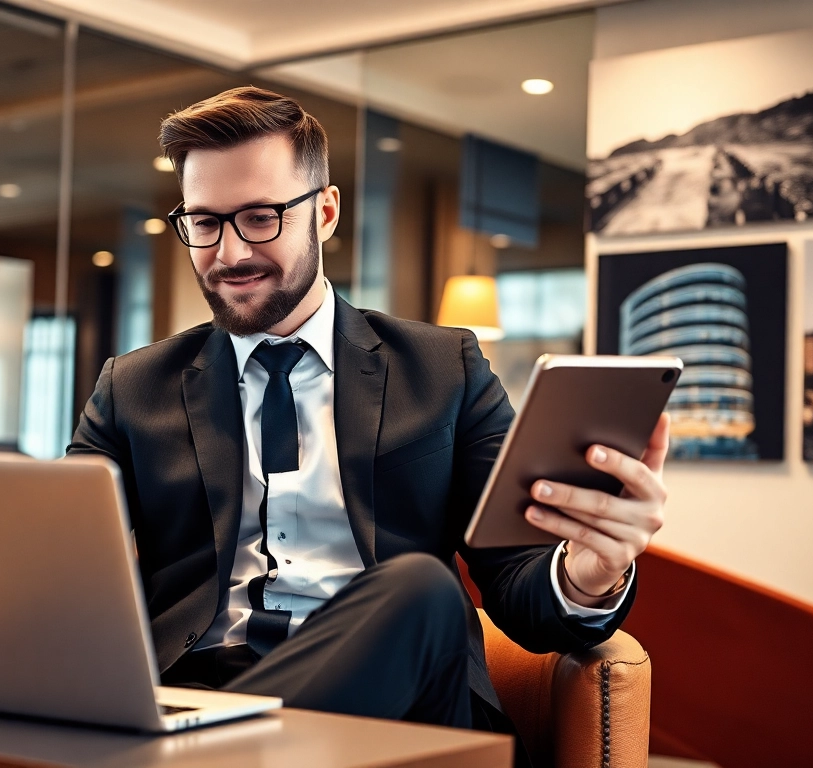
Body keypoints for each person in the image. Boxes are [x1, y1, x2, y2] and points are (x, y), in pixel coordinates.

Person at [67, 87, 669, 757]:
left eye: (261, 217)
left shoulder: (445, 370)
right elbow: (57, 563)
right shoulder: (133, 388)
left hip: (400, 707)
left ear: (324, 213)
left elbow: (523, 590)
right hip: (197, 700)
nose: (230, 252)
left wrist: (588, 575)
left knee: (421, 588)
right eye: (205, 223)